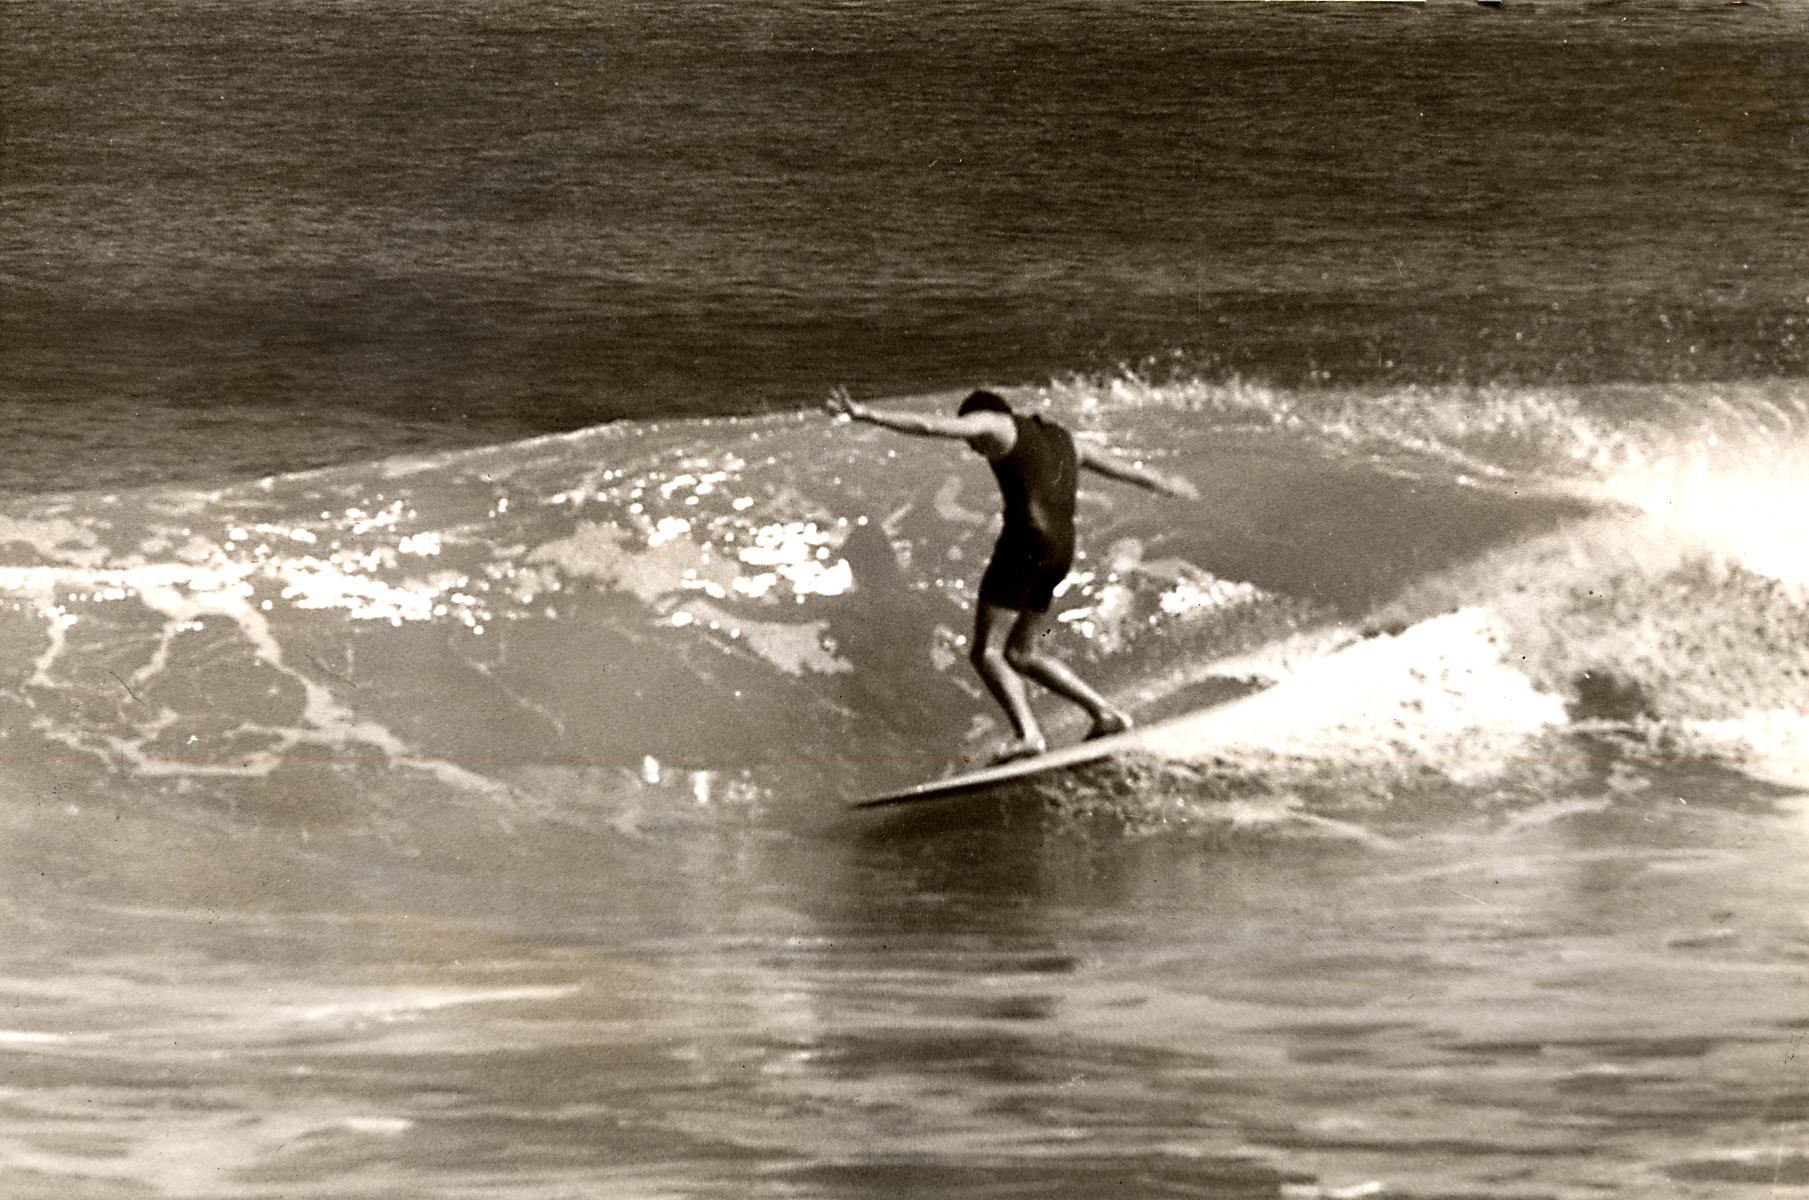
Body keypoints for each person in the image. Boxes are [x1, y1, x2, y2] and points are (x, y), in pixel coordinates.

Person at [826, 387, 1198, 763]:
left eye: (971, 437)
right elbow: (1128, 470)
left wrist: (865, 414)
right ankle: (1105, 714)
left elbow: (928, 425)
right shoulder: (1068, 441)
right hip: (1061, 551)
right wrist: (1165, 483)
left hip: (1025, 544)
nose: (972, 446)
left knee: (986, 653)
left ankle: (1029, 735)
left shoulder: (996, 422)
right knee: (1021, 653)